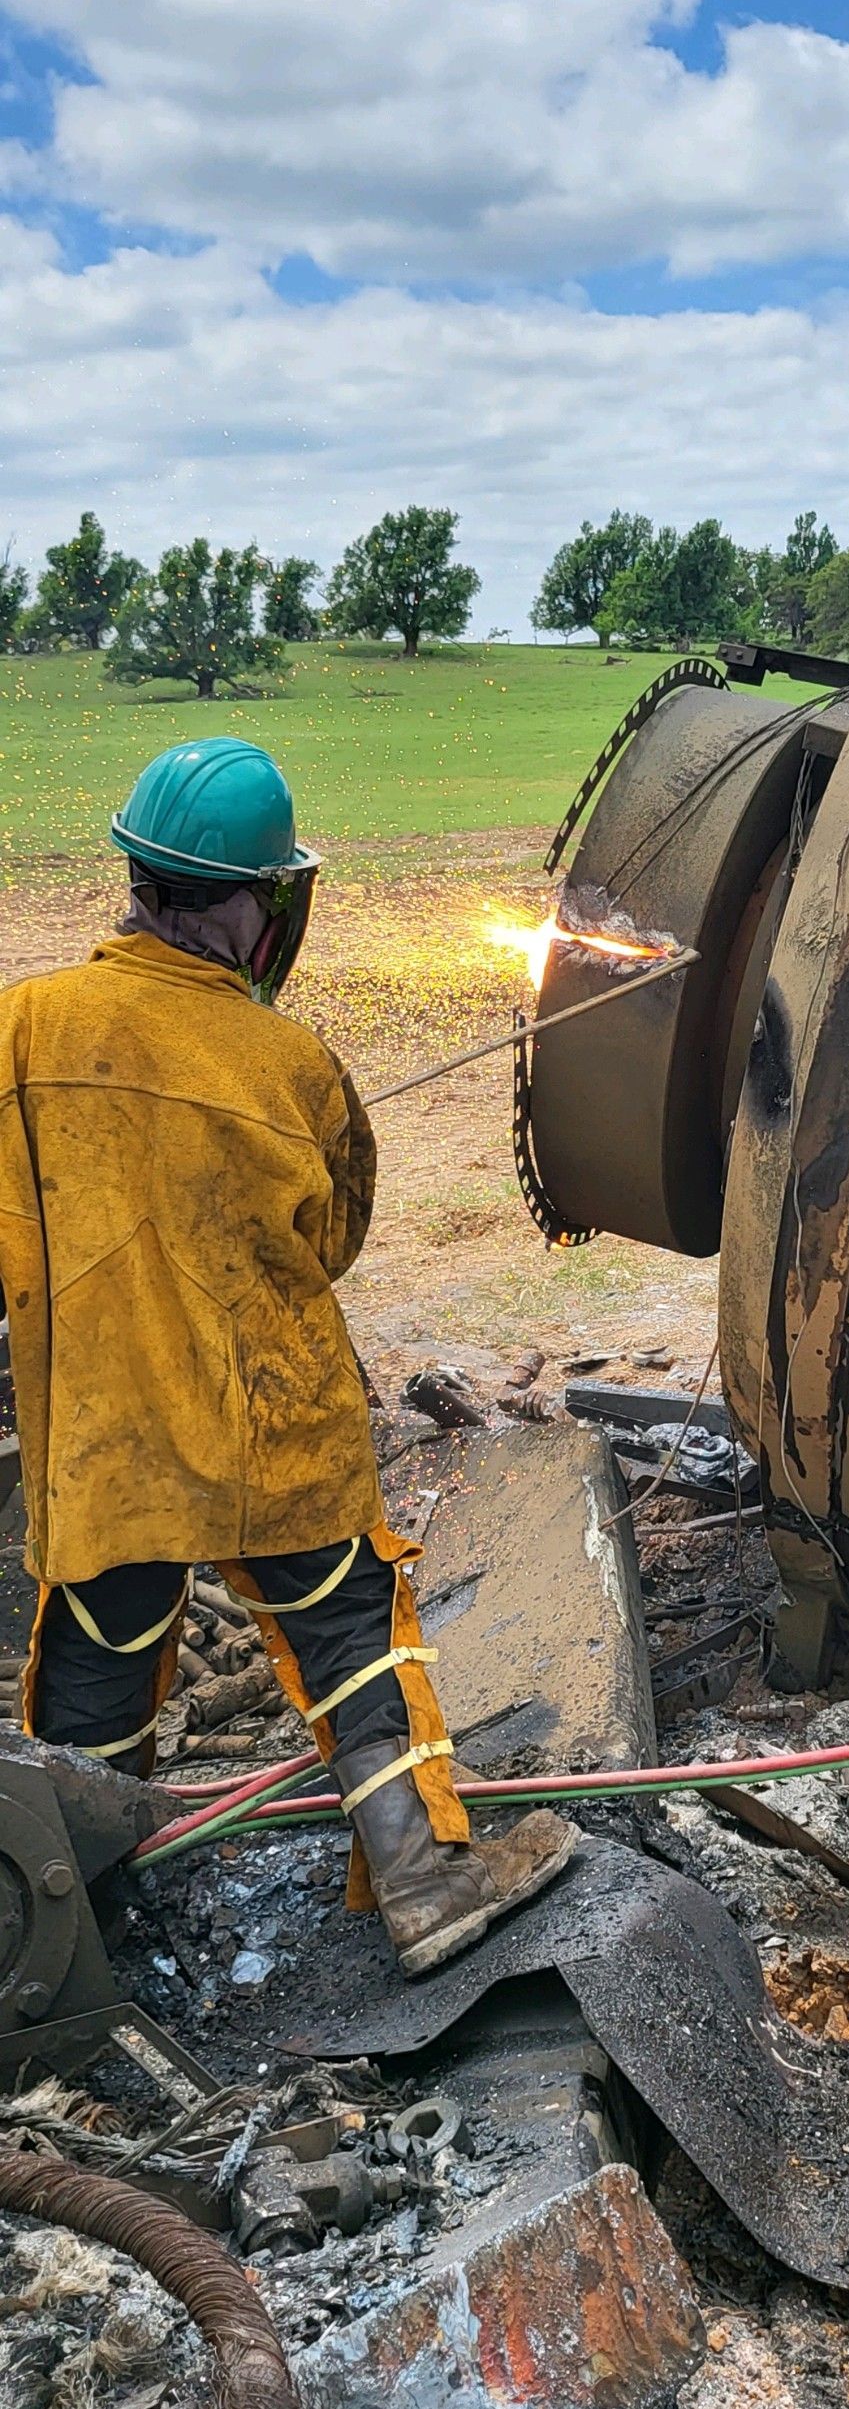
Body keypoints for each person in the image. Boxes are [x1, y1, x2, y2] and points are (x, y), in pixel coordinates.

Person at [0, 733, 578, 1976]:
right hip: (274, 1430)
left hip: (110, 1445)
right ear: (261, 905)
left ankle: (72, 1934)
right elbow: (333, 1238)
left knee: (96, 1676)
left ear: (140, 880)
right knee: (350, 1633)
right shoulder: (295, 1064)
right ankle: (425, 1881)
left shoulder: (23, 1029)